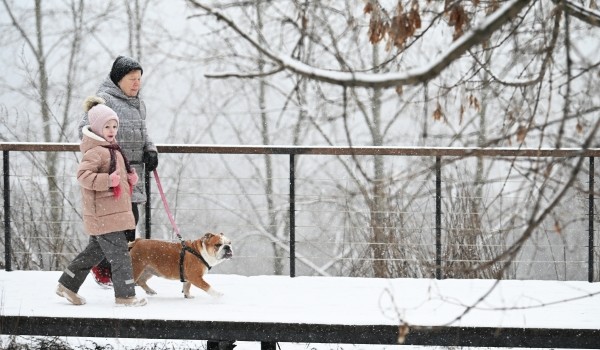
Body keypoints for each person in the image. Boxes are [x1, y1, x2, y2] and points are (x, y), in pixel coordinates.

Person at [57, 96, 147, 307]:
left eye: (114, 125)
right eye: (107, 126)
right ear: (96, 128)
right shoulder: (96, 152)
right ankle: (126, 296)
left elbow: (117, 178)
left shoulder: (112, 149)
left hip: (110, 213)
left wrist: (129, 179)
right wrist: (108, 180)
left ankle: (67, 284)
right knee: (120, 255)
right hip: (104, 214)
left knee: (94, 252)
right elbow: (83, 176)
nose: (112, 129)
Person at [78, 55, 158, 287]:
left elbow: (143, 133)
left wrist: (150, 150)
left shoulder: (138, 103)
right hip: (110, 173)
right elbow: (85, 131)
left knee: (130, 220)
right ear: (118, 80)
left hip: (131, 174)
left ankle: (122, 272)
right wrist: (108, 156)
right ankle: (104, 271)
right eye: (132, 79)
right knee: (111, 224)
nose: (136, 83)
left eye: (139, 79)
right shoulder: (103, 101)